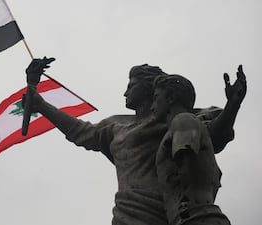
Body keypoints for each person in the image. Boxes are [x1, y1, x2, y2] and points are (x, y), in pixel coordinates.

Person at [24, 57, 244, 225]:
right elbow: (79, 131)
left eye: (131, 85)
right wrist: (42, 106)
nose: (125, 92)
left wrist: (233, 106)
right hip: (128, 215)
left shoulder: (175, 117)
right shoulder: (115, 126)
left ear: (150, 89)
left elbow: (213, 133)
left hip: (175, 213)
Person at [152, 70, 246, 225]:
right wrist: (232, 106)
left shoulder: (183, 121)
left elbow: (186, 161)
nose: (152, 107)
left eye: (156, 99)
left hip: (195, 218)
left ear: (170, 98)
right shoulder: (191, 125)